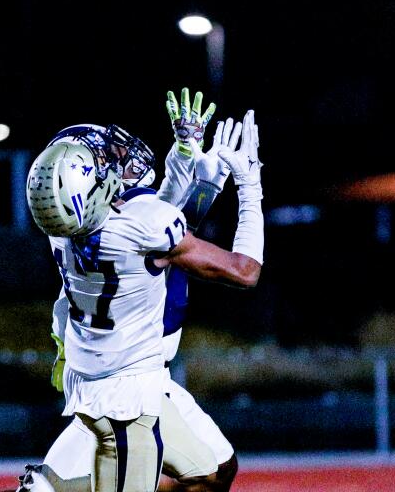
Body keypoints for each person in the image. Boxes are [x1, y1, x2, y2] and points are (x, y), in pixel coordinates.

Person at [24, 89, 265, 492]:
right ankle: (51, 489)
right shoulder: (139, 225)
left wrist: (188, 167)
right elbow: (244, 271)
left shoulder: (63, 230)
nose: (112, 164)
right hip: (125, 395)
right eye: (100, 164)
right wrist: (248, 183)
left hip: (113, 375)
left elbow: (156, 233)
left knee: (214, 470)